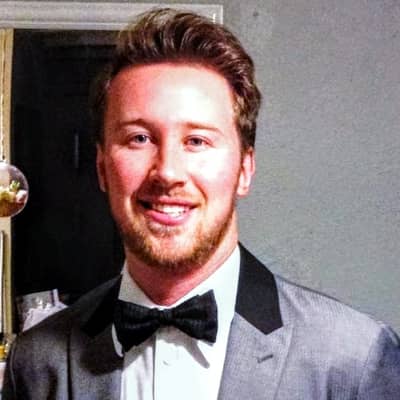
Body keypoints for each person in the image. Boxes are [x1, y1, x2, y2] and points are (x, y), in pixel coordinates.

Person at [3, 8, 400, 400]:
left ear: (244, 169)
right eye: (139, 138)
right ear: (102, 167)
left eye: (197, 141)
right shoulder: (36, 363)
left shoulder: (354, 361)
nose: (167, 172)